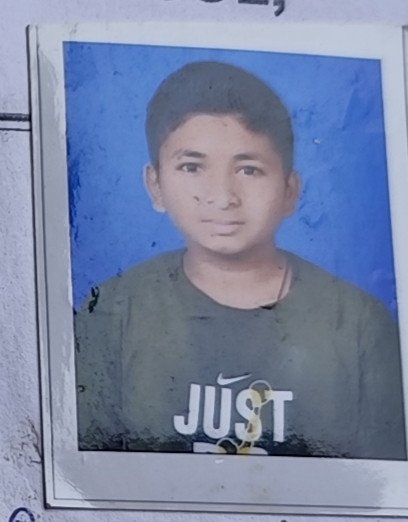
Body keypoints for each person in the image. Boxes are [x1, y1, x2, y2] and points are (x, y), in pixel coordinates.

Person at [75, 61, 406, 459]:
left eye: (249, 170)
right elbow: (83, 478)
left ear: (290, 190)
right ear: (155, 185)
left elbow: (384, 485)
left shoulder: (358, 326)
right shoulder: (111, 313)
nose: (222, 196)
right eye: (192, 167)